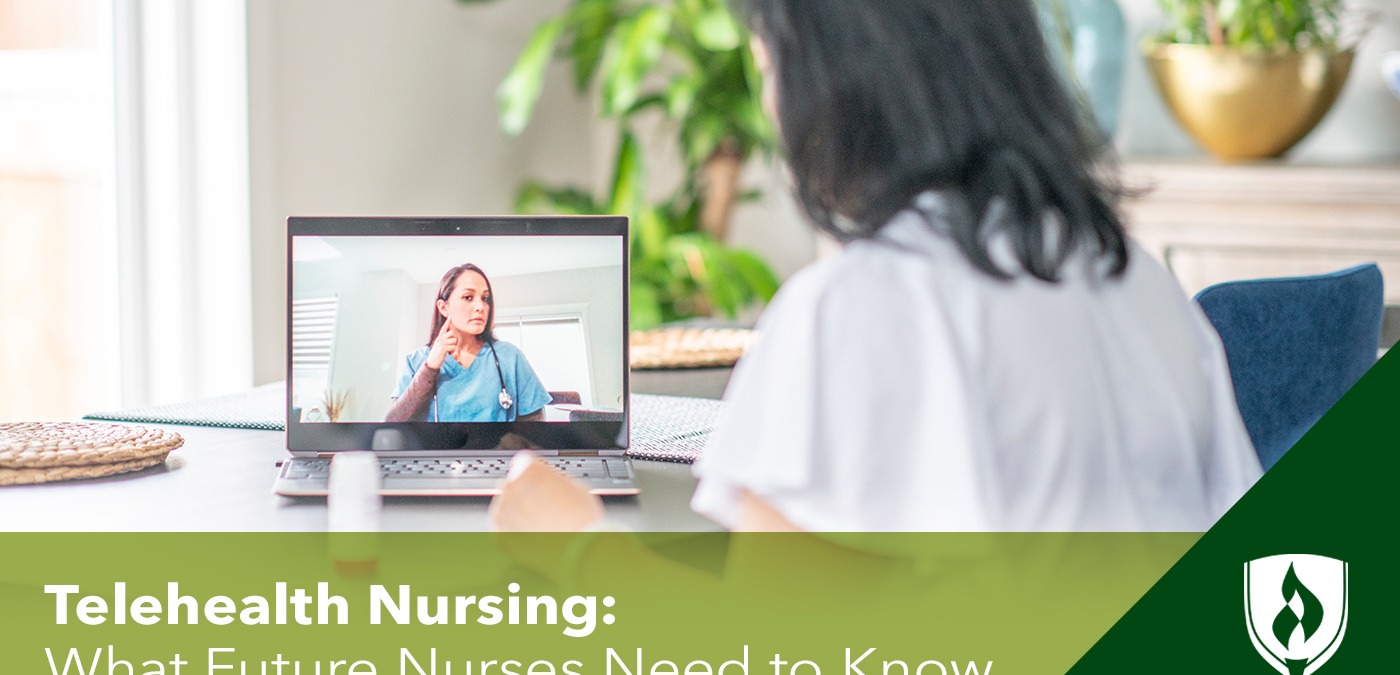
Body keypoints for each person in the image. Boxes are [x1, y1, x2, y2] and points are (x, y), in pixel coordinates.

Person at [491, 0, 1261, 535]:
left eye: (769, 64)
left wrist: (577, 541)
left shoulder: (861, 304)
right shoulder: (1139, 285)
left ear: (833, 78)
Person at [387, 263, 550, 422]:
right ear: (443, 308)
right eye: (468, 297)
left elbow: (536, 425)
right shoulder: (416, 360)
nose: (480, 306)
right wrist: (429, 369)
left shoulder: (510, 357)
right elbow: (393, 424)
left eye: (485, 298)